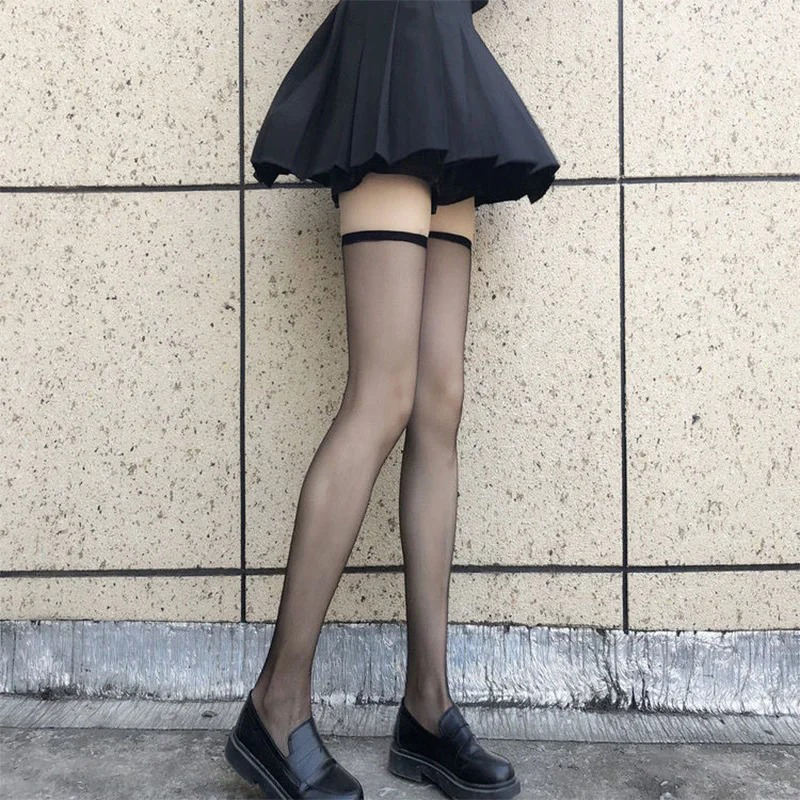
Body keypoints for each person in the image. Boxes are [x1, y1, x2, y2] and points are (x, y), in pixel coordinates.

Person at [225, 1, 560, 797]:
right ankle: (275, 702)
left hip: (446, 63)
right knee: (384, 394)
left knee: (440, 399)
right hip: (391, 53)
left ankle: (427, 709)